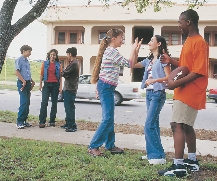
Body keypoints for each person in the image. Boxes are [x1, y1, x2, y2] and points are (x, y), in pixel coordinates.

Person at [158, 9, 209, 177]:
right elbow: (185, 66)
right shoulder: (189, 41)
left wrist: (173, 84)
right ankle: (192, 160)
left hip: (190, 90)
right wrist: (170, 61)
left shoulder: (199, 42)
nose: (178, 25)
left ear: (188, 22)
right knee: (186, 126)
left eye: (180, 22)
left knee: (176, 125)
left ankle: (178, 165)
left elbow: (198, 71)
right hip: (183, 89)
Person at [88, 28, 142, 156]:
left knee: (109, 118)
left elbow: (131, 63)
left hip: (107, 87)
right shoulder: (112, 52)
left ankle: (110, 145)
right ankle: (93, 146)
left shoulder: (111, 51)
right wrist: (134, 49)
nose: (122, 41)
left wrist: (136, 50)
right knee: (107, 119)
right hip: (106, 87)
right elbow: (130, 64)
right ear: (113, 39)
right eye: (121, 38)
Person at [132, 35, 171, 164]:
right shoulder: (149, 60)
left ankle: (157, 156)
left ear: (159, 44)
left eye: (151, 41)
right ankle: (153, 154)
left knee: (149, 125)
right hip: (149, 93)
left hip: (158, 93)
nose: (149, 42)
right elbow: (132, 64)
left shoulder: (163, 59)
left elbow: (169, 77)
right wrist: (135, 50)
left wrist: (154, 80)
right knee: (153, 124)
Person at [38, 49, 62, 128]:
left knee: (54, 103)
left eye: (54, 55)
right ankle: (42, 121)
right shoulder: (45, 63)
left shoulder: (58, 64)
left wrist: (60, 87)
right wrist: (40, 84)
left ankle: (52, 121)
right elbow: (41, 74)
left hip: (55, 85)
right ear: (49, 55)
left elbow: (60, 76)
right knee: (44, 103)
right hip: (47, 84)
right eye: (51, 55)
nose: (52, 56)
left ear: (56, 56)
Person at [15, 45, 35, 129]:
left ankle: (24, 121)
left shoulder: (27, 61)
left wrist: (31, 80)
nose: (30, 53)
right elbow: (17, 72)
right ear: (24, 51)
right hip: (22, 83)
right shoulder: (19, 60)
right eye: (29, 51)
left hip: (27, 83)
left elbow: (27, 73)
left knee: (27, 102)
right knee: (23, 102)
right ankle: (19, 121)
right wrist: (23, 81)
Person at [60, 47, 79, 132]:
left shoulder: (73, 63)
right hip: (68, 87)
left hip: (70, 88)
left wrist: (64, 73)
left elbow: (64, 73)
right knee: (67, 107)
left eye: (67, 54)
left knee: (70, 107)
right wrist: (65, 74)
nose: (67, 56)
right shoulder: (73, 63)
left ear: (70, 54)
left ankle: (72, 126)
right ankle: (68, 123)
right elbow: (66, 74)